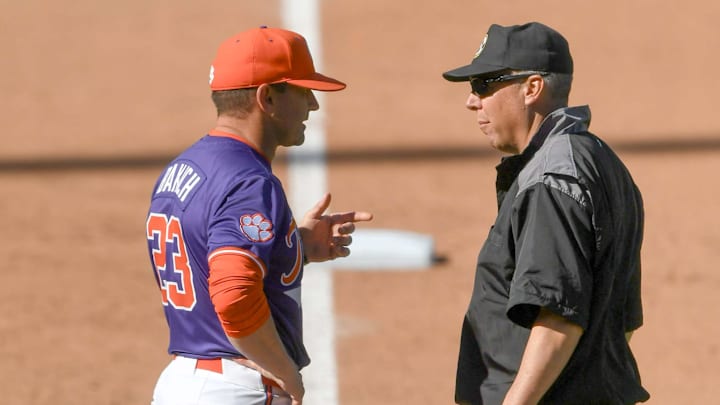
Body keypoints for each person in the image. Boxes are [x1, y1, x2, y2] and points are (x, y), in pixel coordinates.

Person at [144, 26, 373, 405]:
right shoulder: (250, 181)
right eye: (302, 91)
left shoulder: (184, 167)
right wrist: (285, 373)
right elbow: (234, 295)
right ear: (267, 97)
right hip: (235, 387)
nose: (313, 105)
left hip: (183, 382)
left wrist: (292, 247)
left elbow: (205, 250)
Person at [442, 22, 650, 404]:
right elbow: (621, 319)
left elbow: (559, 318)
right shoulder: (602, 161)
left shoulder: (550, 179)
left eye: (485, 85)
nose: (472, 101)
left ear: (532, 88)